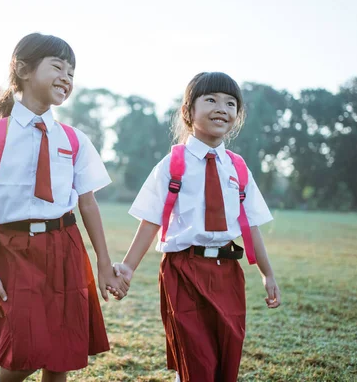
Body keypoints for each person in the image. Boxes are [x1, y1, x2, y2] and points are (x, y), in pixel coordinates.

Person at [0, 32, 128, 382]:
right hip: (15, 249)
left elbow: (88, 204)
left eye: (72, 72)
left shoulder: (74, 139)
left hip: (65, 246)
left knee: (60, 355)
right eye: (57, 67)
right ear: (22, 69)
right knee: (22, 351)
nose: (66, 77)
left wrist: (102, 262)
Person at [112, 72, 281, 382]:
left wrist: (267, 273)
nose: (222, 108)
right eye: (211, 99)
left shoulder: (238, 168)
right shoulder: (172, 164)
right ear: (188, 111)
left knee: (224, 359)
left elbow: (251, 226)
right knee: (195, 359)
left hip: (229, 272)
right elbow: (150, 221)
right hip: (183, 270)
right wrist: (128, 268)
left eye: (231, 103)